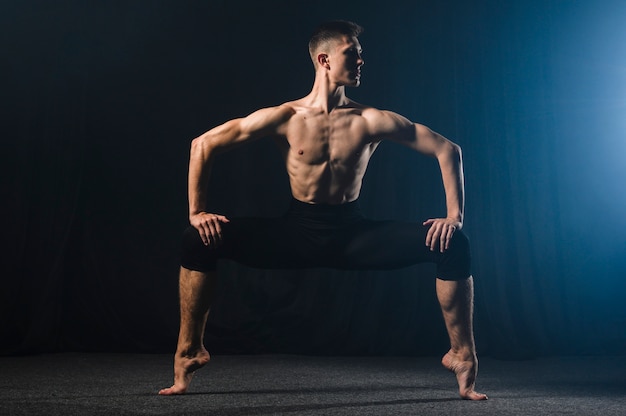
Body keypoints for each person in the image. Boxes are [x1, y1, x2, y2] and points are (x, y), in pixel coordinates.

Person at [159, 20, 487, 400]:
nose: (362, 60)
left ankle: (462, 355)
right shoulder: (286, 117)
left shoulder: (370, 119)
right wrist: (196, 211)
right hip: (296, 232)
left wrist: (454, 216)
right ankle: (190, 352)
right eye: (353, 53)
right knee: (196, 239)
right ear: (324, 59)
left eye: (361, 54)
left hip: (353, 235)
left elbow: (449, 150)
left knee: (452, 243)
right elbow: (203, 145)